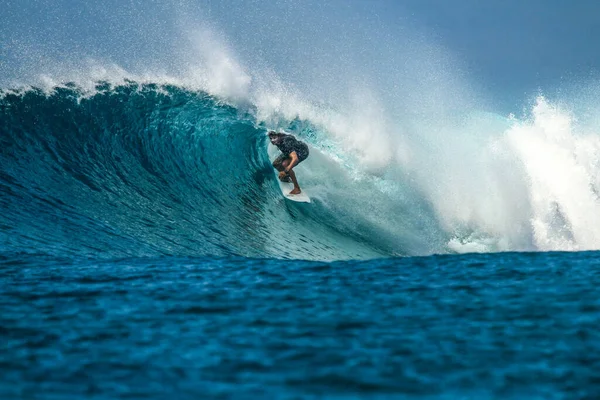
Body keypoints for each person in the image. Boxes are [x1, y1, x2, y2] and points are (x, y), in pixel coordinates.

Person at [268, 131, 309, 195]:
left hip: (302, 151)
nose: (272, 140)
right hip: (293, 149)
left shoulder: (286, 144)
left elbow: (295, 159)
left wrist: (285, 171)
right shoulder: (279, 139)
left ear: (278, 137)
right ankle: (286, 178)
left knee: (285, 164)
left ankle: (297, 188)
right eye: (270, 138)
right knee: (275, 164)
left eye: (274, 138)